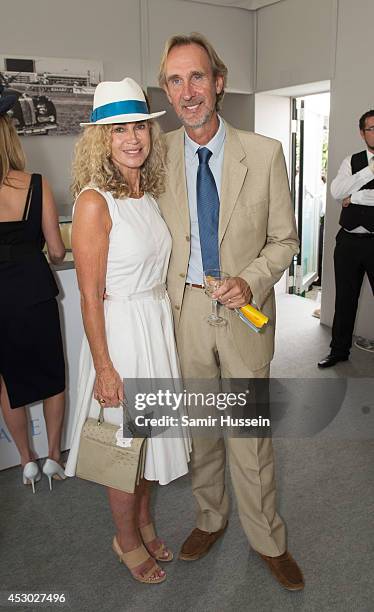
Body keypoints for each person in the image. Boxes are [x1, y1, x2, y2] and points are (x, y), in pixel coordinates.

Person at [157, 33, 304, 590]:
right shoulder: (158, 153)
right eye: (175, 80)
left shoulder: (264, 153)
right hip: (188, 309)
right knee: (201, 428)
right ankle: (210, 517)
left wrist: (251, 280)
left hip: (244, 311)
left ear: (218, 82)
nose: (187, 91)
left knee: (248, 433)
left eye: (197, 77)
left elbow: (284, 241)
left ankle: (268, 537)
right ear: (167, 91)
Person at [64, 77, 191, 585]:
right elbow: (88, 295)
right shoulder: (94, 202)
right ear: (101, 139)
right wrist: (104, 367)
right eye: (119, 130)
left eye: (139, 126)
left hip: (152, 326)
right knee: (124, 449)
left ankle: (144, 522)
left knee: (147, 441)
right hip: (118, 333)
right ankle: (127, 541)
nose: (133, 137)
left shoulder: (145, 192)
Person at [0, 89, 66, 493]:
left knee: (8, 383)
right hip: (34, 294)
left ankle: (26, 461)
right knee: (52, 379)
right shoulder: (35, 184)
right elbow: (57, 251)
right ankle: (54, 457)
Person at [318, 110, 374, 368]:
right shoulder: (352, 160)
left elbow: (347, 195)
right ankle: (339, 350)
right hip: (349, 241)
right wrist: (369, 172)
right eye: (370, 128)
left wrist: (355, 197)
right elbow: (336, 191)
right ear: (362, 133)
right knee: (345, 298)